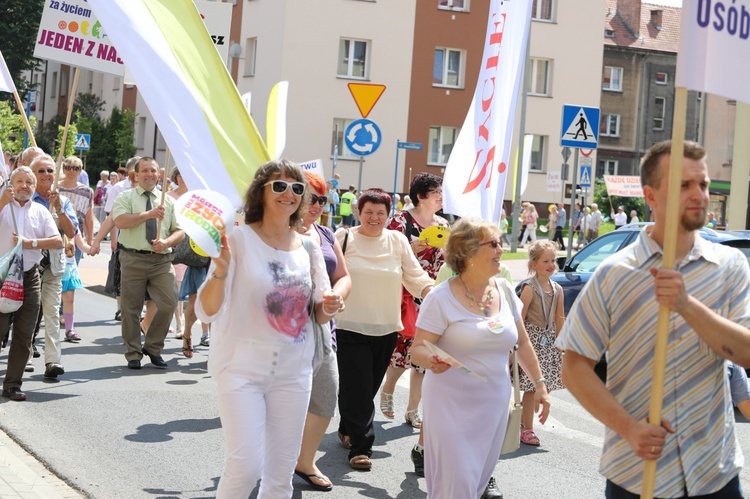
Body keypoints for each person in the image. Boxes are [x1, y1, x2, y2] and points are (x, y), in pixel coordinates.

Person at [558, 140, 750, 498]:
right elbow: (574, 367)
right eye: (683, 185)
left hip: (714, 474)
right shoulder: (614, 273)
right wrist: (628, 428)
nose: (699, 194)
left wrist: (687, 305)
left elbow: (746, 353)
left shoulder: (730, 267)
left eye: (703, 184)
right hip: (637, 471)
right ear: (651, 195)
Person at [195, 159, 341, 498]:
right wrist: (220, 272)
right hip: (242, 370)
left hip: (294, 372)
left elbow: (317, 313)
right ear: (260, 191)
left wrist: (329, 306)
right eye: (279, 185)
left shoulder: (308, 245)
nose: (289, 193)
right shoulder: (238, 239)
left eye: (297, 188)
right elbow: (207, 309)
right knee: (245, 469)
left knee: (279, 478)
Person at [410, 218, 551, 499]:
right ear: (469, 251)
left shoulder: (506, 292)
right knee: (457, 485)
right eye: (495, 244)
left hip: (492, 406)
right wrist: (431, 361)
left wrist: (540, 384)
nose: (502, 249)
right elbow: (418, 348)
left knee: (475, 483)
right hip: (449, 405)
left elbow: (521, 342)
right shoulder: (440, 298)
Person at [334, 188, 433, 471]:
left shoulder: (396, 240)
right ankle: (360, 448)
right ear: (358, 212)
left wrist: (436, 294)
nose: (374, 218)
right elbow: (329, 274)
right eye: (369, 212)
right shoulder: (344, 238)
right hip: (348, 326)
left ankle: (347, 428)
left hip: (387, 329)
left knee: (364, 388)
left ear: (388, 215)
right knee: (359, 387)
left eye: (380, 213)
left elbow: (415, 276)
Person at [383, 172, 449, 475]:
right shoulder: (400, 220)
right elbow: (391, 252)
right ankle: (388, 388)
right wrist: (418, 244)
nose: (440, 197)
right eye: (436, 192)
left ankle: (412, 411)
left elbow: (445, 261)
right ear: (421, 195)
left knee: (424, 357)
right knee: (402, 351)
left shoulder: (444, 224)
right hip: (406, 294)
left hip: (432, 295)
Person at [294, 172, 352, 492]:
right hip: (285, 331)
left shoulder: (326, 233)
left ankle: (304, 460)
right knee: (283, 401)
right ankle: (270, 460)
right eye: (311, 197)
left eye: (322, 199)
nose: (317, 205)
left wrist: (337, 294)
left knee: (326, 394)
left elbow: (343, 275)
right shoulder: (278, 233)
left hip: (323, 328)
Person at [112, 156, 184, 370]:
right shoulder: (126, 197)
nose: (150, 174)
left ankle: (153, 347)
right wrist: (149, 214)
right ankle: (133, 353)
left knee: (170, 301)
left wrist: (167, 242)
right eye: (145, 171)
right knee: (130, 309)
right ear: (136, 174)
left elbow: (179, 231)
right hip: (133, 258)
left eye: (153, 170)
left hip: (161, 260)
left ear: (158, 174)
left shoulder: (169, 201)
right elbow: (120, 221)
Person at [0, 166, 63, 400]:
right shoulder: (3, 205)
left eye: (29, 182)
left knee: (25, 334)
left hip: (29, 277)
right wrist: (1, 202)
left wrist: (31, 243)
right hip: (3, 275)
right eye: (19, 181)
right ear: (11, 183)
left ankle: (12, 385)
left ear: (35, 188)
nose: (24, 186)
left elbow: (56, 240)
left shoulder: (40, 210)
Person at [30, 155, 79, 376]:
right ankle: (25, 354)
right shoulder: (25, 199)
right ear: (32, 175)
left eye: (50, 170)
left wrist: (58, 207)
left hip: (52, 266)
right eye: (41, 171)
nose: (47, 174)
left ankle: (53, 361)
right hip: (27, 266)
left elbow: (71, 232)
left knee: (51, 312)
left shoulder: (63, 201)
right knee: (25, 314)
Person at [517, 240, 565, 446]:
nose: (551, 264)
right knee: (531, 386)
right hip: (532, 341)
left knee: (547, 384)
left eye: (553, 260)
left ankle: (523, 421)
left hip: (548, 342)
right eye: (546, 260)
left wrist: (560, 344)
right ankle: (527, 428)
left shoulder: (557, 288)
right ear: (534, 264)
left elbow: (559, 318)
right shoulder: (529, 288)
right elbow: (520, 317)